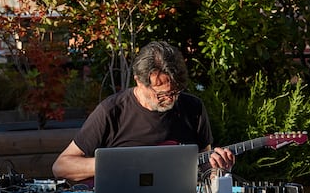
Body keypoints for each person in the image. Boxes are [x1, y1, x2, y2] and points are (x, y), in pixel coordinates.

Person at [52, 41, 235, 182]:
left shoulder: (193, 108)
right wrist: (120, 164)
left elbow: (205, 170)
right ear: (139, 82)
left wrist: (218, 172)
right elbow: (61, 166)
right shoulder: (112, 111)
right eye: (161, 94)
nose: (170, 99)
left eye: (175, 92)